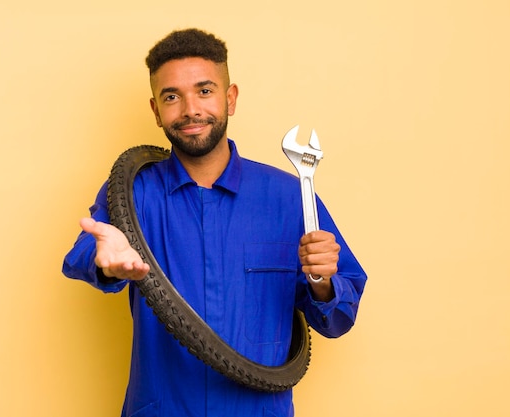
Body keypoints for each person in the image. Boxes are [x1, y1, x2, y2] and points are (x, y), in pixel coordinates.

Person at [63, 28, 367, 417]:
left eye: (204, 91)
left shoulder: (290, 196)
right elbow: (83, 253)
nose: (190, 109)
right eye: (172, 97)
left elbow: (338, 319)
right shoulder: (133, 192)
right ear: (156, 111)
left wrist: (322, 283)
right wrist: (105, 262)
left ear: (230, 98)